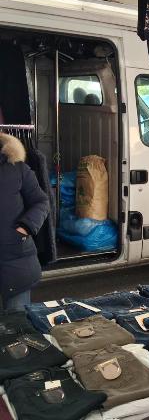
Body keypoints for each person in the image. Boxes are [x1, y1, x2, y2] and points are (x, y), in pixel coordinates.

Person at [0, 132, 50, 311]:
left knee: (17, 323)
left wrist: (26, 227)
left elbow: (41, 202)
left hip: (16, 263)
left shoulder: (17, 168)